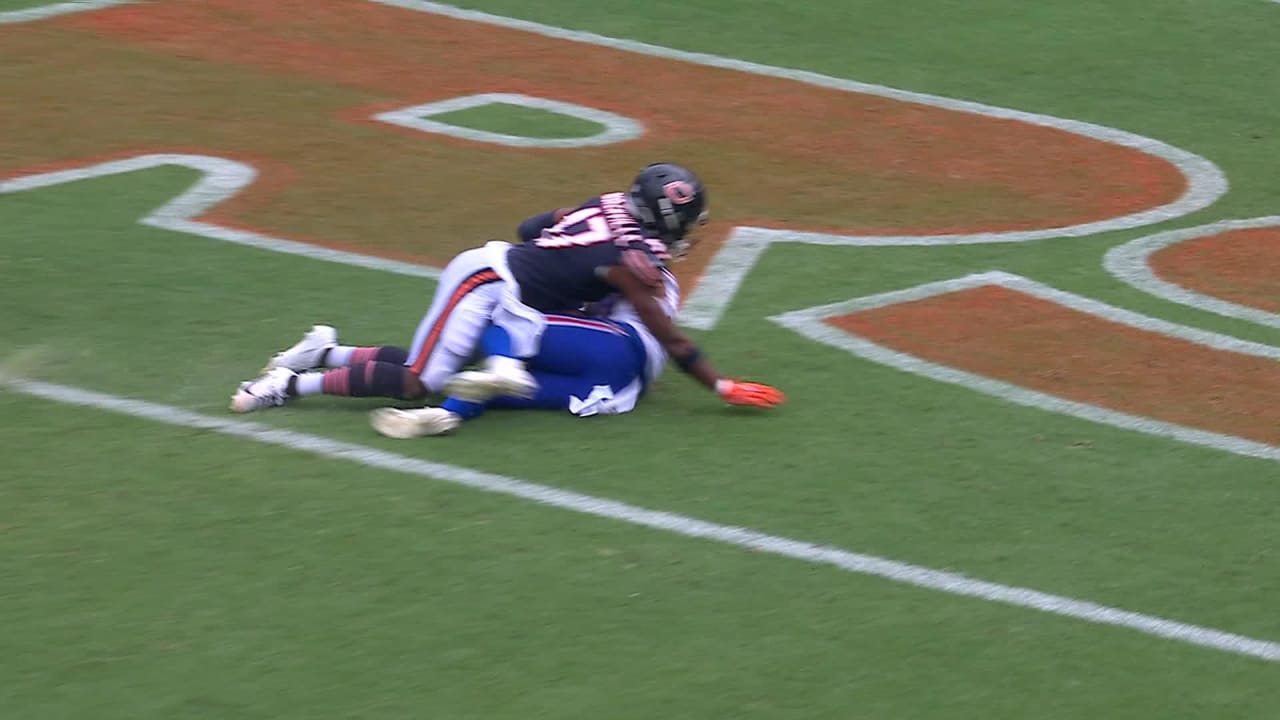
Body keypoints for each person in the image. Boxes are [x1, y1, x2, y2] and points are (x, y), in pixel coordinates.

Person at [229, 162, 785, 432]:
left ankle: (324, 352)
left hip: (498, 274)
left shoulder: (612, 203)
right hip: (491, 285)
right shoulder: (633, 264)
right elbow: (669, 337)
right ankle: (289, 384)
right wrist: (721, 384)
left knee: (434, 371)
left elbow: (529, 227)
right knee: (418, 382)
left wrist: (563, 249)